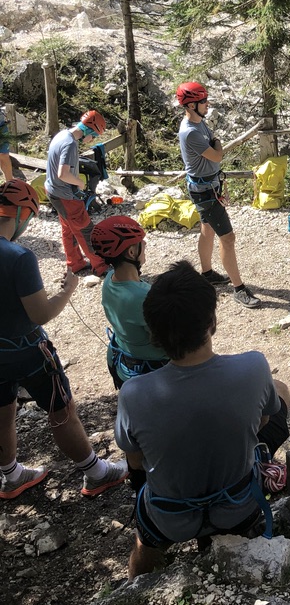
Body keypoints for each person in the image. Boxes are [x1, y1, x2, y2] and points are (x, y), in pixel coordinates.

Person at [115, 262, 290, 578]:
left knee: (143, 545)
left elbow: (136, 462)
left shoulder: (133, 393)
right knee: (281, 394)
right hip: (238, 504)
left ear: (154, 334)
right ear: (212, 322)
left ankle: (136, 585)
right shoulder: (253, 367)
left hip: (171, 517)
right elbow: (264, 421)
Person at [0, 180, 128, 499]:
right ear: (21, 214)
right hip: (28, 349)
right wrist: (68, 288)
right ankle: (96, 473)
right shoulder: (18, 257)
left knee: (3, 412)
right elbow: (40, 314)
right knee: (62, 411)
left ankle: (11, 475)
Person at [176, 81, 261, 309]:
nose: (207, 104)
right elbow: (216, 156)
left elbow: (215, 148)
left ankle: (206, 273)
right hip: (205, 190)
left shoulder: (198, 123)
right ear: (191, 105)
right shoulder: (191, 132)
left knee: (207, 228)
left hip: (205, 186)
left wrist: (216, 145)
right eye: (203, 101)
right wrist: (217, 145)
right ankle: (239, 288)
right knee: (228, 238)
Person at [91, 217, 168, 390]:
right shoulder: (143, 297)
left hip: (122, 362)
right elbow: (163, 341)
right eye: (141, 242)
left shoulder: (109, 281)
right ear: (131, 252)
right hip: (151, 372)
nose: (145, 245)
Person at [45, 110, 109, 276]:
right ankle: (101, 266)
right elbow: (63, 173)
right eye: (94, 136)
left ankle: (75, 264)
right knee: (86, 229)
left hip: (53, 191)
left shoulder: (62, 134)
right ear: (89, 130)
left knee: (68, 228)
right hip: (65, 194)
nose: (92, 140)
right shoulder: (70, 144)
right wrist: (80, 183)